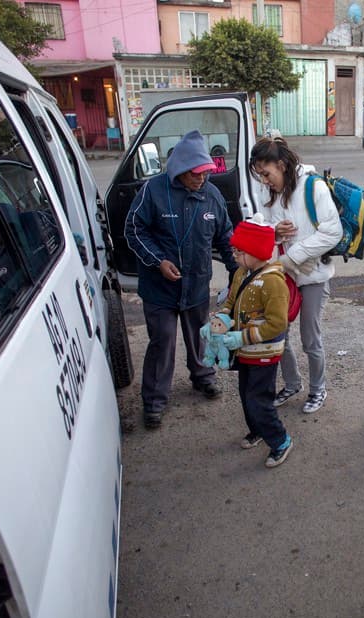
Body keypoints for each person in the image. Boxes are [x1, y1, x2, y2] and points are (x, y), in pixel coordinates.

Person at [125, 130, 238, 429]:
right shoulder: (153, 191)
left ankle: (203, 377)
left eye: (205, 173)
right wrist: (158, 260)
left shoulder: (211, 195)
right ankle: (154, 401)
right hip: (159, 287)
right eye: (195, 174)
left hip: (197, 285)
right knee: (162, 342)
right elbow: (134, 230)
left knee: (200, 336)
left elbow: (226, 237)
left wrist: (236, 271)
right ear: (180, 169)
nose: (201, 179)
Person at [249, 137, 342, 415]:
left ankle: (318, 389)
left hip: (312, 276)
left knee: (309, 338)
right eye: (260, 175)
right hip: (282, 276)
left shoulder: (314, 187)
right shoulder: (269, 193)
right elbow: (261, 226)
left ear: (281, 165)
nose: (264, 180)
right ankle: (292, 384)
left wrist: (294, 255)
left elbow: (332, 232)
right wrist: (274, 231)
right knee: (279, 334)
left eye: (267, 173)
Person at [212, 216, 292, 467]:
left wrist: (242, 335)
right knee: (247, 395)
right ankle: (258, 429)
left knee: (259, 399)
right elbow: (231, 301)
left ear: (256, 252)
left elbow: (278, 324)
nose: (233, 254)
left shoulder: (273, 282)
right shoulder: (240, 273)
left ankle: (280, 440)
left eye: (239, 251)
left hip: (264, 352)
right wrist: (222, 318)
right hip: (244, 350)